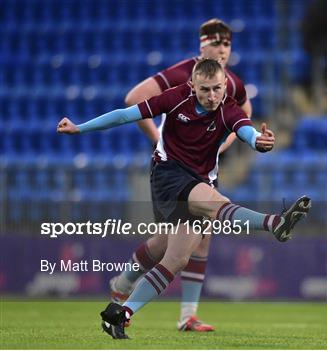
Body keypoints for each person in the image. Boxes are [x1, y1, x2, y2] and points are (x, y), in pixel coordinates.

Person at [57, 59, 311, 339]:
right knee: (215, 201)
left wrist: (258, 142)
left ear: (225, 86)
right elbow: (124, 115)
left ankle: (121, 313)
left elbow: (246, 131)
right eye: (205, 90)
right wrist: (80, 128)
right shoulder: (176, 98)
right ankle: (274, 223)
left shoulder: (228, 110)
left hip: (199, 180)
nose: (212, 95)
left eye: (217, 89)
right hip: (168, 174)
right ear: (193, 85)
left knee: (176, 258)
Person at [111, 18, 252, 333]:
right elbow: (134, 99)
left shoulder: (230, 81)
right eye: (215, 42)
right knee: (176, 244)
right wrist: (158, 139)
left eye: (227, 43)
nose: (221, 48)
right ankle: (127, 285)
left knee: (188, 242)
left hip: (203, 169)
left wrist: (225, 142)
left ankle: (183, 313)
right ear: (202, 45)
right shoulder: (183, 73)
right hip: (175, 171)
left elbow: (245, 111)